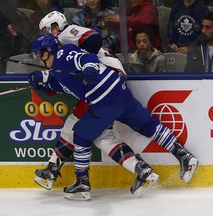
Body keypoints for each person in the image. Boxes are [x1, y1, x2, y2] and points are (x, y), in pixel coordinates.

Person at [28, 33, 198, 200]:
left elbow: (85, 59)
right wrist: (42, 85)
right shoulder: (58, 69)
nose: (38, 60)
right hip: (120, 94)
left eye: (38, 55)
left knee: (80, 133)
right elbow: (64, 85)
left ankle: (82, 184)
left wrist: (89, 67)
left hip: (104, 101)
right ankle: (184, 156)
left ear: (45, 53)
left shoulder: (62, 54)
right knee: (148, 125)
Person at [36, 11, 161, 199]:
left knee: (87, 131)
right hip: (104, 85)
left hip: (102, 86)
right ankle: (141, 170)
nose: (47, 34)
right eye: (44, 31)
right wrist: (48, 80)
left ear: (57, 25)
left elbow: (91, 44)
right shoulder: (61, 45)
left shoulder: (66, 35)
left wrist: (49, 81)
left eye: (48, 29)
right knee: (99, 135)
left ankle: (68, 176)